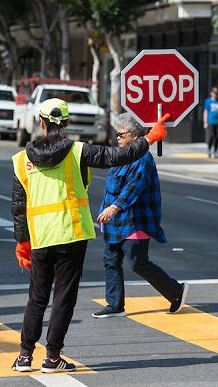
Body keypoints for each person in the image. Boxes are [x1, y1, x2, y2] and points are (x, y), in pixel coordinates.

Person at [11, 99, 169, 373]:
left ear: (41, 122)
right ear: (67, 123)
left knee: (37, 297)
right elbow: (117, 157)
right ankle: (52, 358)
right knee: (63, 297)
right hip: (71, 234)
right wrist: (149, 138)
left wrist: (22, 241)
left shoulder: (22, 160)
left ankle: (25, 356)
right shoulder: (78, 151)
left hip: (40, 238)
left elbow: (18, 207)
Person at [92, 113, 188, 319]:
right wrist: (106, 210)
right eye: (116, 134)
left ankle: (175, 291)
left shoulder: (142, 158)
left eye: (121, 134)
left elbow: (133, 188)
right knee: (111, 260)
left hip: (135, 221)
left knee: (138, 262)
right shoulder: (121, 155)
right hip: (115, 223)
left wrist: (113, 208)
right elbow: (111, 188)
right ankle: (115, 304)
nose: (117, 138)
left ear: (135, 135)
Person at [203, 87, 218, 159]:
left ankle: (215, 151)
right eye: (214, 93)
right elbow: (206, 112)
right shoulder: (208, 101)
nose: (215, 94)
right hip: (211, 121)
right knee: (212, 136)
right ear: (211, 93)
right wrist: (205, 122)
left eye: (217, 93)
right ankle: (209, 149)